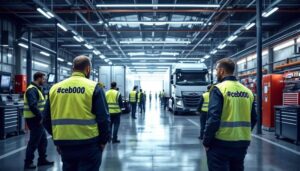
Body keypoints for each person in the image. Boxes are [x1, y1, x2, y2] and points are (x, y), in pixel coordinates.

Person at [43, 56, 111, 171]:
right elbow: (103, 119)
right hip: (89, 144)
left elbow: (45, 119)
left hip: (65, 145)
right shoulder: (94, 88)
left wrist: (57, 139)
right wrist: (103, 141)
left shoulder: (54, 88)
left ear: (72, 68)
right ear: (88, 69)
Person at [203, 58, 257, 171]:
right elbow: (254, 118)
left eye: (216, 70)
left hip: (221, 143)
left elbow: (213, 118)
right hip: (242, 143)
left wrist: (206, 141)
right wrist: (242, 134)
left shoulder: (219, 89)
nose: (216, 72)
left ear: (222, 71)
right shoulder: (248, 91)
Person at [23, 72, 54, 169]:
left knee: (43, 140)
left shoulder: (37, 89)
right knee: (33, 142)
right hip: (35, 119)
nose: (44, 81)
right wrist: (41, 117)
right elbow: (33, 105)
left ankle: (42, 160)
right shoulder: (32, 90)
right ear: (38, 78)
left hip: (38, 119)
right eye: (43, 79)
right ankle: (28, 162)